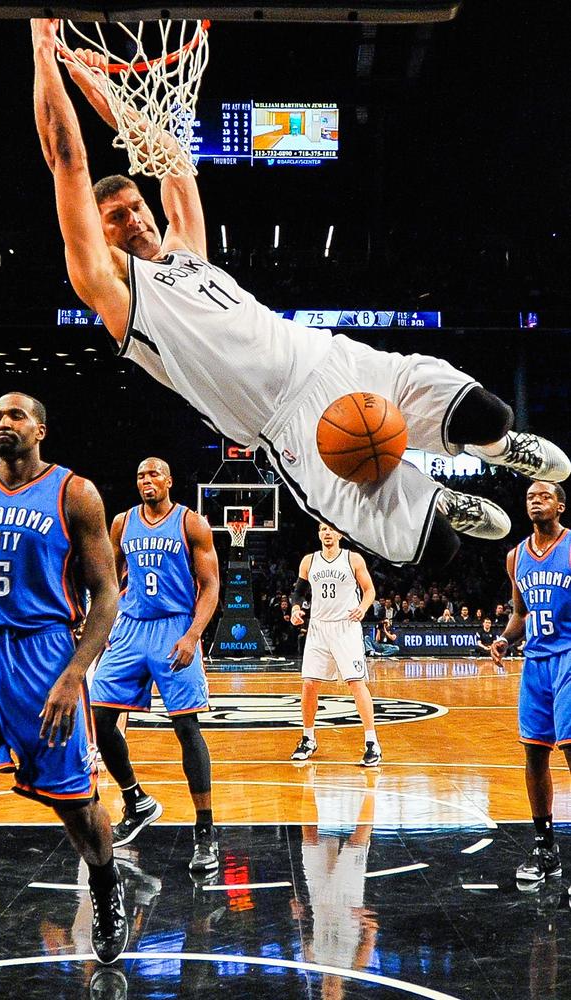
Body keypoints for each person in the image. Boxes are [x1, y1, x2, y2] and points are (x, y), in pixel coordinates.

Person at [30, 19, 571, 569]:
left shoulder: (185, 251)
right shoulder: (112, 290)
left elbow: (168, 159)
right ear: (98, 235)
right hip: (290, 429)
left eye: (137, 208)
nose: (136, 220)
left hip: (332, 356)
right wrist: (45, 54)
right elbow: (66, 158)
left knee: (485, 413)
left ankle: (502, 450)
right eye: (117, 218)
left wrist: (101, 87)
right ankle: (443, 501)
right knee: (437, 547)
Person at [0, 392, 127, 999]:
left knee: (78, 813)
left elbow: (106, 594)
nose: (1, 423)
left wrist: (73, 675)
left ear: (40, 427)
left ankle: (106, 878)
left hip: (44, 663)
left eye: (13, 415)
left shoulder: (75, 494)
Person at [90, 457, 221, 873]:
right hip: (130, 627)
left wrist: (193, 635)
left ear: (169, 479)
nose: (146, 480)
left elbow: (212, 585)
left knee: (186, 726)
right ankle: (136, 800)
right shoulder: (122, 522)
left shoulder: (191, 523)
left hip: (174, 627)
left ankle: (205, 833)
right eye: (140, 475)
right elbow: (109, 576)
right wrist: (106, 618)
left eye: (153, 474)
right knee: (101, 718)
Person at [491, 481, 570, 885]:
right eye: (528, 497)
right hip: (535, 663)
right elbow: (520, 615)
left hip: (570, 657)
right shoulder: (516, 556)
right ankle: (545, 848)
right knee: (535, 753)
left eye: (543, 496)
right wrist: (506, 638)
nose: (535, 500)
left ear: (560, 505)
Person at [289, 523, 381, 767]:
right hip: (318, 627)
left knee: (355, 682)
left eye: (330, 529)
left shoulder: (353, 559)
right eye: (321, 529)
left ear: (340, 533)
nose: (326, 533)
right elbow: (298, 593)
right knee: (309, 684)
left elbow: (369, 590)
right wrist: (296, 609)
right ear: (318, 534)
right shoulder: (309, 561)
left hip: (345, 626)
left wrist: (363, 607)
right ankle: (308, 738)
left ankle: (372, 743)